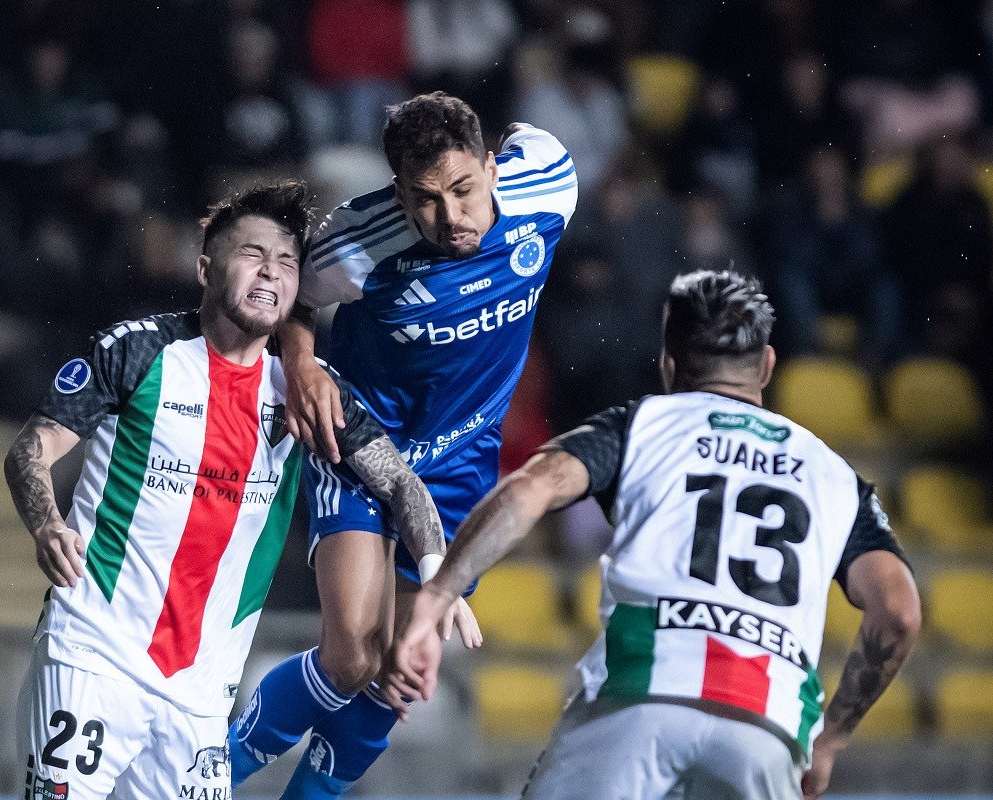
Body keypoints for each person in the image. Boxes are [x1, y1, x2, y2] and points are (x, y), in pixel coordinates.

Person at [389, 270, 921, 800]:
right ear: (767, 365)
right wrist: (830, 740)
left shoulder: (640, 425)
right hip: (768, 728)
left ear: (667, 363)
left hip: (639, 695)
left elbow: (529, 490)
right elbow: (898, 612)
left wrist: (436, 597)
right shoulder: (835, 478)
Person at [3, 182, 454, 800]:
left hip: (201, 696)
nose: (271, 271)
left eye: (288, 261)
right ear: (205, 268)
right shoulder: (138, 351)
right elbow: (31, 449)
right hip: (94, 654)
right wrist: (48, 523)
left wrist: (437, 577)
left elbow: (401, 483)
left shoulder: (308, 392)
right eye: (253, 253)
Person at [230, 91, 577, 798]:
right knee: (351, 655)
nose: (449, 218)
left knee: (397, 672)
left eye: (463, 190)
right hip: (360, 446)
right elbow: (286, 294)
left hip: (462, 467)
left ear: (491, 165)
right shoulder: (360, 240)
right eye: (425, 200)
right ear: (397, 192)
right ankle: (203, 778)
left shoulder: (549, 180)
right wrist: (300, 364)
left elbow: (528, 132)